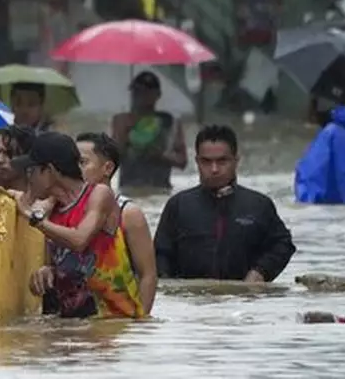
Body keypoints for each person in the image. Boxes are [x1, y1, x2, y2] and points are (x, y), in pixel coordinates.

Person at [12, 132, 144, 320]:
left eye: (31, 171)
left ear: (49, 171)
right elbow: (67, 264)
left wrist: (32, 216)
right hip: (77, 326)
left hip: (115, 325)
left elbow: (79, 240)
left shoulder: (99, 194)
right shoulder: (52, 211)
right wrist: (46, 274)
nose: (28, 178)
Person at [154, 125, 296, 283]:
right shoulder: (179, 205)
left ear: (236, 161)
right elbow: (160, 255)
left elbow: (282, 245)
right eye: (206, 162)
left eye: (222, 161)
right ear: (197, 162)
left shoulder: (258, 205)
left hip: (243, 302)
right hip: (191, 302)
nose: (214, 169)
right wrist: (171, 290)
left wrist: (260, 272)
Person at [76, 132, 158, 316]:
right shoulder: (65, 211)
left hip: (118, 322)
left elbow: (148, 275)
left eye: (82, 163)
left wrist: (140, 321)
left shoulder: (129, 214)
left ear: (107, 168)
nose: (74, 169)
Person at [110, 71, 187, 191]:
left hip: (159, 191)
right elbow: (112, 158)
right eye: (136, 91)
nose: (139, 96)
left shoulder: (169, 122)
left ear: (158, 94)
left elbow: (182, 162)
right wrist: (125, 134)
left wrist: (161, 156)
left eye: (145, 92)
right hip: (129, 189)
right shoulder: (122, 120)